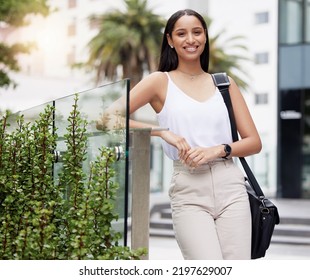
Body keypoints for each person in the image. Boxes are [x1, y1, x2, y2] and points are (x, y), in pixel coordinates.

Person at [100, 9, 262, 260]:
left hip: (231, 186)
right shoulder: (159, 81)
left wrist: (219, 149)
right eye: (181, 33)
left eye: (197, 32)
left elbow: (254, 142)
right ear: (170, 40)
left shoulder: (224, 84)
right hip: (189, 187)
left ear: (205, 37)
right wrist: (161, 132)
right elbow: (106, 119)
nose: (191, 39)